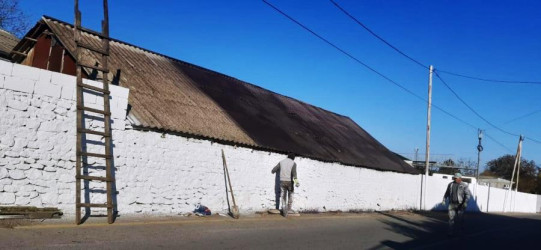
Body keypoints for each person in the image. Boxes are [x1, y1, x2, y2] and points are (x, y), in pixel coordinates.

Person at [271, 153, 299, 217]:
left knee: (283, 196)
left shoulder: (281, 162)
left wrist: (273, 171)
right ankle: (289, 209)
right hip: (290, 182)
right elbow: (294, 174)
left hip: (282, 182)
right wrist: (297, 182)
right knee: (291, 194)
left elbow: (273, 170)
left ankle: (284, 211)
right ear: (293, 158)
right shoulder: (293, 163)